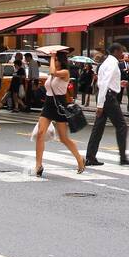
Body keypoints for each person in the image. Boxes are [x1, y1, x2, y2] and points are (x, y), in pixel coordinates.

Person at [31, 49, 85, 177]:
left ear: (61, 61)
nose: (54, 61)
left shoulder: (65, 72)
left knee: (63, 138)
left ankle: (80, 159)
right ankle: (38, 165)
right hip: (48, 105)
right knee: (40, 134)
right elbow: (50, 81)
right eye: (54, 60)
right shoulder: (53, 74)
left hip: (60, 107)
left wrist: (52, 57)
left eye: (55, 60)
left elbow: (52, 72)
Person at [88, 44, 129, 167]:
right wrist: (100, 105)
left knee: (98, 128)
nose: (122, 54)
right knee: (121, 125)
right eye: (121, 51)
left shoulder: (107, 62)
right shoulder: (112, 63)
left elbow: (104, 81)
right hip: (108, 97)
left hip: (105, 95)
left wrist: (118, 84)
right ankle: (123, 157)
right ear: (115, 51)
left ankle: (90, 157)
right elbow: (104, 83)